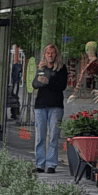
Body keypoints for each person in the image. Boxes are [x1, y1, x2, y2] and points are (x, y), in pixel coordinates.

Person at [32, 43, 67, 174]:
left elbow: (61, 85)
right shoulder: (42, 68)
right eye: (48, 53)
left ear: (56, 54)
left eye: (52, 53)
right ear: (45, 55)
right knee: (40, 136)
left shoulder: (61, 68)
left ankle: (51, 164)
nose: (50, 55)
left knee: (53, 135)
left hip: (56, 105)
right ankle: (40, 164)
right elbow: (35, 84)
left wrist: (47, 81)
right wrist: (41, 72)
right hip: (40, 105)